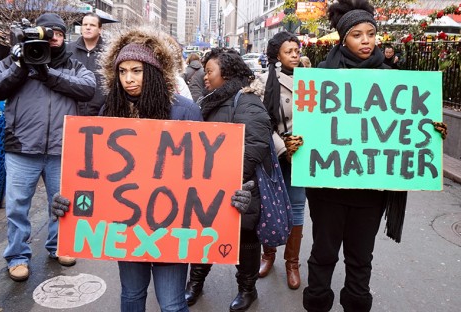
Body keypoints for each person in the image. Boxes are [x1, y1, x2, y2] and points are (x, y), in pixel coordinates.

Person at [50, 26, 255, 312]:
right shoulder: (110, 110)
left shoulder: (184, 111)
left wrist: (233, 196)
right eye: (122, 72)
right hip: (126, 230)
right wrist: (67, 200)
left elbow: (205, 175)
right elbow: (94, 174)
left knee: (171, 303)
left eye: (136, 70)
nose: (128, 79)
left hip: (170, 232)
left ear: (154, 72)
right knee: (132, 296)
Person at [301, 1, 446, 311]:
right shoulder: (322, 76)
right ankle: (317, 302)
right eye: (357, 34)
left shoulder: (393, 77)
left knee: (360, 258)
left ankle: (356, 304)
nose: (366, 40)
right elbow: (307, 129)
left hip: (371, 192)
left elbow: (406, 125)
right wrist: (294, 143)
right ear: (343, 39)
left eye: (371, 33)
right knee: (324, 254)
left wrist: (432, 130)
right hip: (328, 189)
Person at [0, 13, 96, 282]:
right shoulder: (14, 61)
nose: (53, 39)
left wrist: (48, 74)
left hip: (62, 148)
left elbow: (88, 88)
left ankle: (60, 246)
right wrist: (21, 67)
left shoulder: (73, 65)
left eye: (57, 34)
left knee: (60, 205)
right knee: (17, 207)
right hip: (21, 148)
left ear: (63, 36)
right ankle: (17, 257)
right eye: (47, 33)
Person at [184, 47, 272, 312]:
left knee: (245, 240)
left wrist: (224, 177)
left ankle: (248, 289)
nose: (205, 77)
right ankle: (195, 283)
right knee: (204, 236)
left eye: (210, 71)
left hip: (240, 190)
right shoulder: (211, 100)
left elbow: (255, 145)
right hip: (208, 188)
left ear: (228, 72)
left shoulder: (246, 101)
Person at [250, 31, 306, 290]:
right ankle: (268, 255)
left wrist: (302, 145)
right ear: (276, 55)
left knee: (296, 208)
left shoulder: (312, 79)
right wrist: (284, 147)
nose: (294, 55)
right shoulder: (262, 82)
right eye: (288, 51)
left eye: (296, 50)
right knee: (269, 205)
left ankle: (292, 263)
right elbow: (260, 122)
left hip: (303, 154)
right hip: (275, 153)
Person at [67, 13, 106, 116]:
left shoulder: (109, 52)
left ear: (100, 29)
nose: (88, 28)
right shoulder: (68, 50)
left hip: (101, 114)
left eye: (92, 25)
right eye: (85, 25)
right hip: (72, 112)